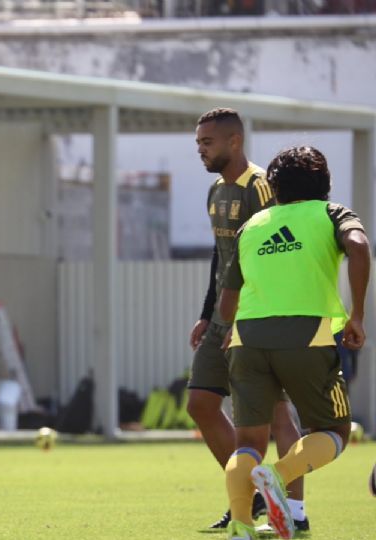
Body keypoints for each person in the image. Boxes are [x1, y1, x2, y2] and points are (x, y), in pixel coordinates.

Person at [217, 145, 369, 539]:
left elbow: (228, 300)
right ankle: (279, 476)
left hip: (245, 338)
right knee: (335, 429)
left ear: (274, 186)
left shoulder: (252, 225)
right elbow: (359, 246)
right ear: (325, 184)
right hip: (307, 336)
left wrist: (233, 334)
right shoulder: (331, 213)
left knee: (248, 440)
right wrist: (357, 316)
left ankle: (242, 524)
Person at [187, 108, 306, 530]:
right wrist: (207, 315)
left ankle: (293, 512)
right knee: (200, 402)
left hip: (255, 319)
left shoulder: (260, 188)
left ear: (234, 141)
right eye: (199, 142)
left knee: (274, 415)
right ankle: (253, 500)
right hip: (222, 318)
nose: (199, 149)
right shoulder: (215, 191)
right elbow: (220, 257)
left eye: (208, 142)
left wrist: (247, 321)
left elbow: (273, 258)